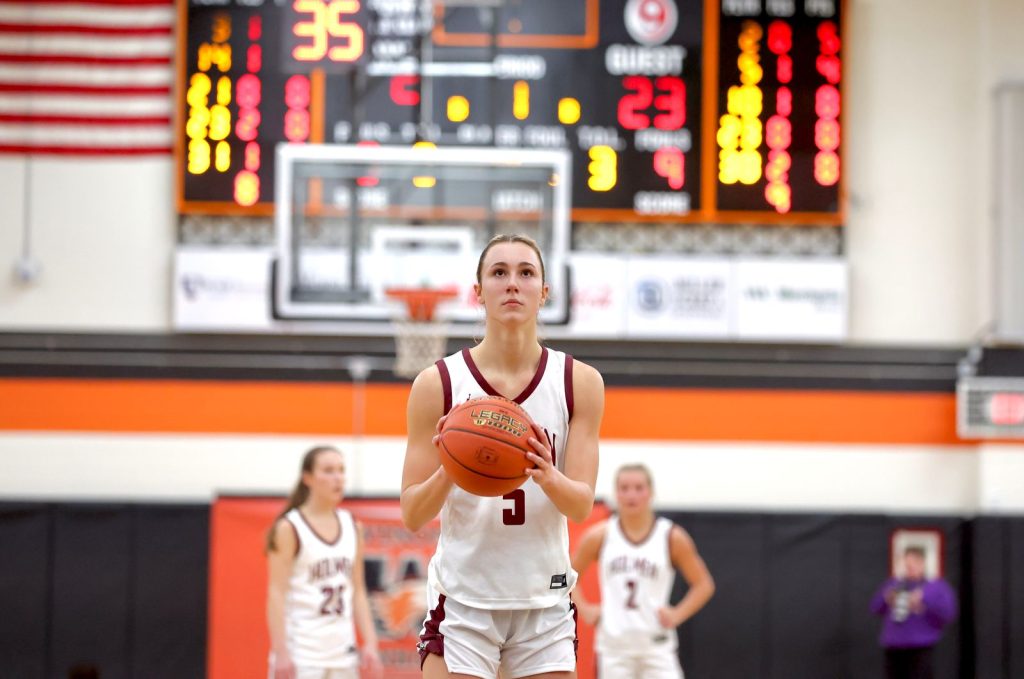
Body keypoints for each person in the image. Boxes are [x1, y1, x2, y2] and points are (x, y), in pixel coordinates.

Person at [401, 233, 605, 679]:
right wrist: (450, 469)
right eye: (499, 272)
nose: (512, 283)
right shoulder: (438, 384)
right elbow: (413, 513)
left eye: (525, 272)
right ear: (478, 292)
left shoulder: (579, 382)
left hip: (544, 603)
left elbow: (581, 505)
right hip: (464, 600)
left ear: (544, 292)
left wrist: (547, 474)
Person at [570, 464, 715, 679]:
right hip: (614, 649)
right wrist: (584, 608)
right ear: (616, 493)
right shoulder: (600, 535)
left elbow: (704, 584)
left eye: (639, 488)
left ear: (651, 492)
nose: (631, 495)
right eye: (624, 488)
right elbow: (568, 576)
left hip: (657, 647)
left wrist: (677, 614)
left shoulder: (671, 536)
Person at [266, 446, 383, 679]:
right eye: (328, 471)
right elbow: (276, 593)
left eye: (341, 470)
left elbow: (358, 591)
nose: (338, 478)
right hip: (301, 654)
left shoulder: (353, 526)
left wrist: (370, 643)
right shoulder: (289, 527)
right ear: (307, 478)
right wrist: (281, 653)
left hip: (343, 653)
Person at [869, 545, 958, 679]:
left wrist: (923, 602)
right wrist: (886, 599)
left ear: (922, 563)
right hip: (894, 646)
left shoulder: (936, 587)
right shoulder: (893, 584)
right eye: (906, 564)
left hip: (920, 646)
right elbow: (874, 608)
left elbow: (949, 614)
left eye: (913, 563)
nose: (909, 567)